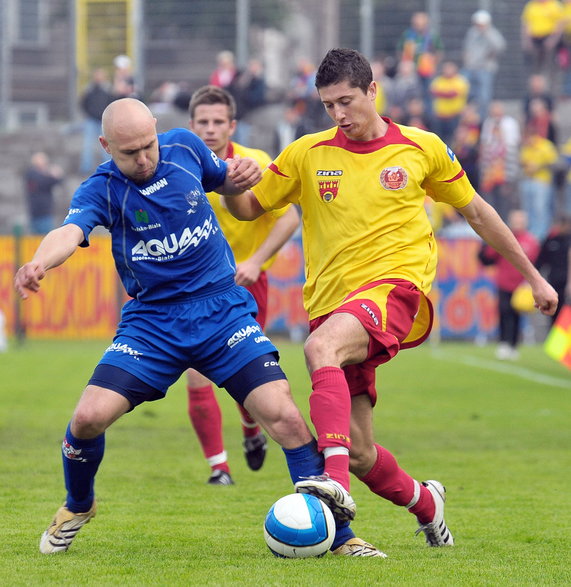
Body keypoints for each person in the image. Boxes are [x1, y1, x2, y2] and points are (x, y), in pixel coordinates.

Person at [222, 48, 559, 547]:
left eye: (347, 101)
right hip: (332, 305)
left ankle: (331, 488)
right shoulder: (306, 154)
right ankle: (427, 504)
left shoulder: (421, 148)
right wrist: (230, 185)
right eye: (328, 105)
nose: (339, 114)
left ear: (373, 91)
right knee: (359, 450)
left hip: (397, 289)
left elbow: (479, 213)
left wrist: (534, 276)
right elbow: (249, 209)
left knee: (319, 352)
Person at [14, 98, 380, 557]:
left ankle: (342, 538)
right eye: (129, 153)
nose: (144, 159)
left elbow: (228, 184)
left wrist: (239, 179)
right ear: (106, 146)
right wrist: (38, 262)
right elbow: (69, 231)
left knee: (284, 416)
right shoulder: (101, 189)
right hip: (152, 325)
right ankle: (78, 504)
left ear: (157, 131)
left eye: (148, 146)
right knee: (87, 418)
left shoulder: (185, 148)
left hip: (220, 312)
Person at [187, 85, 300, 485]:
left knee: (244, 378)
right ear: (191, 125)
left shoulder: (254, 163)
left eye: (219, 122)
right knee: (197, 373)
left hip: (246, 285)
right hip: (194, 290)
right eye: (203, 122)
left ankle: (251, 428)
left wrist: (255, 260)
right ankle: (219, 468)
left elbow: (288, 218)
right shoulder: (177, 167)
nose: (211, 129)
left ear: (232, 125)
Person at [478, 210, 540, 360]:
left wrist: (530, 282)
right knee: (504, 312)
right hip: (504, 282)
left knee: (517, 316)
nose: (518, 224)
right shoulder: (504, 238)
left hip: (521, 285)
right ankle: (503, 343)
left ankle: (513, 345)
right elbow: (488, 256)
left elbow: (535, 263)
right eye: (515, 220)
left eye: (520, 221)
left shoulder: (531, 242)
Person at [478, 100, 521, 223]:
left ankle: (506, 224)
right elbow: (485, 144)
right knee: (491, 202)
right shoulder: (488, 123)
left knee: (505, 202)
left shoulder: (510, 123)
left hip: (506, 170)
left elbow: (512, 145)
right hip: (490, 172)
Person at [462, 10, 506, 122]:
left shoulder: (492, 33)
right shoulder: (472, 32)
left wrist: (487, 34)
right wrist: (467, 61)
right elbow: (467, 48)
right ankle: (466, 116)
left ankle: (482, 119)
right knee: (464, 90)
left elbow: (500, 46)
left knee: (484, 95)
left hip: (485, 69)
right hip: (471, 67)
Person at [536, 214, 571, 323]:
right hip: (554, 282)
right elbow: (540, 261)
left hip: (568, 283)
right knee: (554, 312)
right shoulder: (550, 241)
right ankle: (554, 338)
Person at [79, 68, 115, 174]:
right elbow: (83, 103)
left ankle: (108, 166)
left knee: (106, 145)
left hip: (103, 120)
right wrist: (89, 113)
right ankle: (86, 167)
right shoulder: (89, 89)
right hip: (91, 120)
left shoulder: (108, 89)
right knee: (87, 145)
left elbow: (111, 102)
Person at [429, 61, 470, 146]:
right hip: (440, 115)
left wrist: (441, 93)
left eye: (450, 68)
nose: (447, 71)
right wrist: (446, 93)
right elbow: (432, 91)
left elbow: (453, 94)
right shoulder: (439, 80)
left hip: (454, 115)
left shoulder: (460, 80)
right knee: (438, 138)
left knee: (452, 139)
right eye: (446, 68)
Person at [23, 151, 64, 234]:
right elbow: (45, 181)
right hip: (36, 212)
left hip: (45, 213)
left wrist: (55, 175)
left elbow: (58, 181)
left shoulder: (42, 175)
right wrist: (53, 174)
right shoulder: (32, 174)